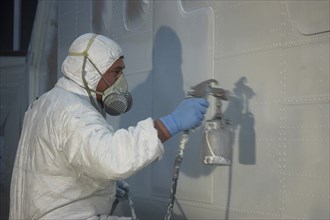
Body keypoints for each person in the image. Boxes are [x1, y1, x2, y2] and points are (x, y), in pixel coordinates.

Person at [9, 33, 209, 219]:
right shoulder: (73, 111)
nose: (121, 81)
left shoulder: (47, 102)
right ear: (89, 72)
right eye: (116, 72)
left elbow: (62, 162)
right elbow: (113, 158)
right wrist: (170, 124)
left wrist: (100, 184)